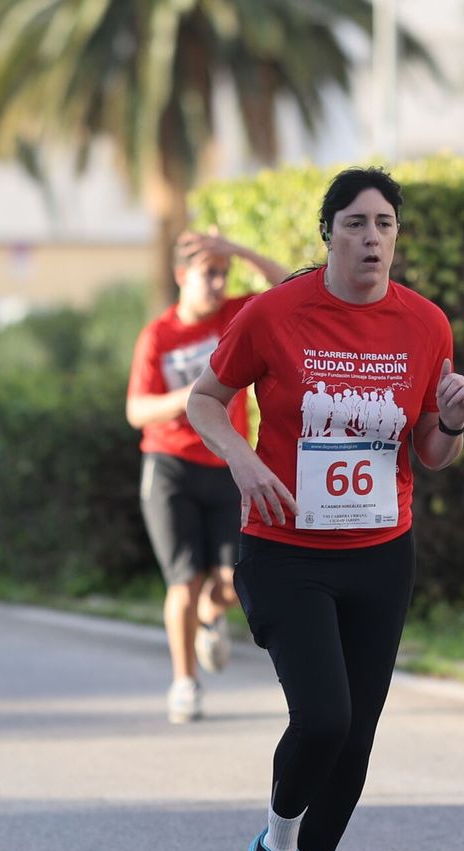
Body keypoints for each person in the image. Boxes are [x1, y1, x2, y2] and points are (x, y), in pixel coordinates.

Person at [187, 167, 464, 851]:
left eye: (385, 224)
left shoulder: (425, 325)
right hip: (285, 548)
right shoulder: (276, 312)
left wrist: (450, 422)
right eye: (355, 223)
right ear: (329, 235)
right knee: (324, 718)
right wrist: (244, 463)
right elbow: (205, 401)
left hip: (380, 553)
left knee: (357, 740)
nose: (372, 238)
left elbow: (429, 451)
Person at [126, 230, 288, 724]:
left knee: (228, 582)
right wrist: (193, 399)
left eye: (223, 273)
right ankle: (184, 683)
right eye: (207, 273)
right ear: (181, 276)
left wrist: (239, 249)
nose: (218, 283)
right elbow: (136, 410)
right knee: (184, 583)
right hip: (170, 468)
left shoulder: (233, 316)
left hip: (225, 463)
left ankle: (211, 618)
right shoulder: (159, 335)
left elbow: (288, 286)